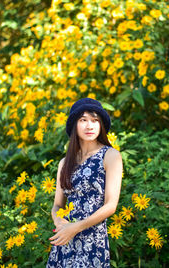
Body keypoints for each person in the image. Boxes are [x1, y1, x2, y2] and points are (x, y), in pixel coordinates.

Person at [46, 98, 123, 268]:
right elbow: (57, 205)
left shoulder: (110, 156)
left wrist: (76, 227)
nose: (90, 126)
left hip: (93, 241)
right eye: (83, 120)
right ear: (74, 125)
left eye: (95, 120)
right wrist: (60, 223)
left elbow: (111, 205)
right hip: (65, 240)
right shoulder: (64, 163)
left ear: (101, 124)